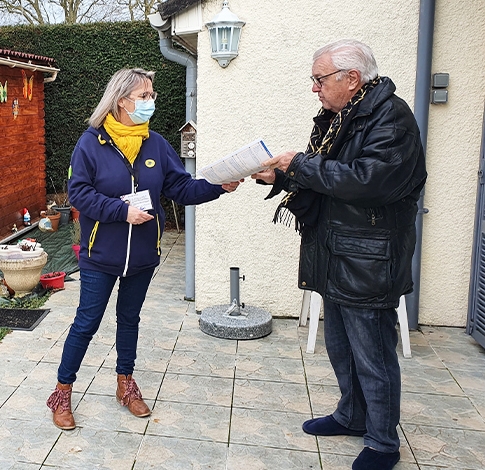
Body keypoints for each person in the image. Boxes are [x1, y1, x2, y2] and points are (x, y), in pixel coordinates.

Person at [251, 40, 426, 470]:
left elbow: (369, 182)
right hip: (336, 249)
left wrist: (299, 165)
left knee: (373, 353)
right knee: (341, 344)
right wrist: (281, 173)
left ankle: (383, 442)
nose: (314, 88)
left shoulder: (392, 118)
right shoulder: (342, 116)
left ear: (352, 79)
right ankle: (351, 415)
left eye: (319, 79)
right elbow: (330, 179)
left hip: (369, 257)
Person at [46, 68, 242, 430]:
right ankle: (62, 391)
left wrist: (218, 186)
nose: (151, 101)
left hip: (142, 256)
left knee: (129, 319)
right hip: (100, 256)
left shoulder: (156, 144)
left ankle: (125, 384)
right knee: (86, 322)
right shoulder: (92, 142)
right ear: (122, 100)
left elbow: (181, 188)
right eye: (144, 96)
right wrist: (122, 212)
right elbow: (80, 193)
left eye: (152, 95)